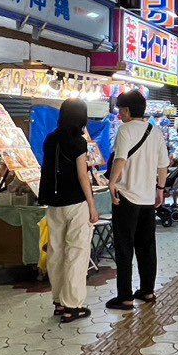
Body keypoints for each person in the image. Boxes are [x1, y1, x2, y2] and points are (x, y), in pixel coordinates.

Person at [39, 98, 103, 323]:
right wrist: (93, 205)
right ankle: (72, 305)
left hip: (54, 204)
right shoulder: (78, 142)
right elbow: (82, 175)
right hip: (76, 204)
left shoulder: (50, 139)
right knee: (76, 253)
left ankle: (58, 301)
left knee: (56, 252)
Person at [107, 89, 171, 310]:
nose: (119, 115)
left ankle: (124, 296)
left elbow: (121, 159)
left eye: (120, 110)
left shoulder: (125, 130)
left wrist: (111, 182)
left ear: (127, 110)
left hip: (126, 197)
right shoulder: (155, 131)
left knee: (124, 248)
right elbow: (164, 165)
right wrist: (160, 189)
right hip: (146, 199)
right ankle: (147, 291)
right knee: (147, 247)